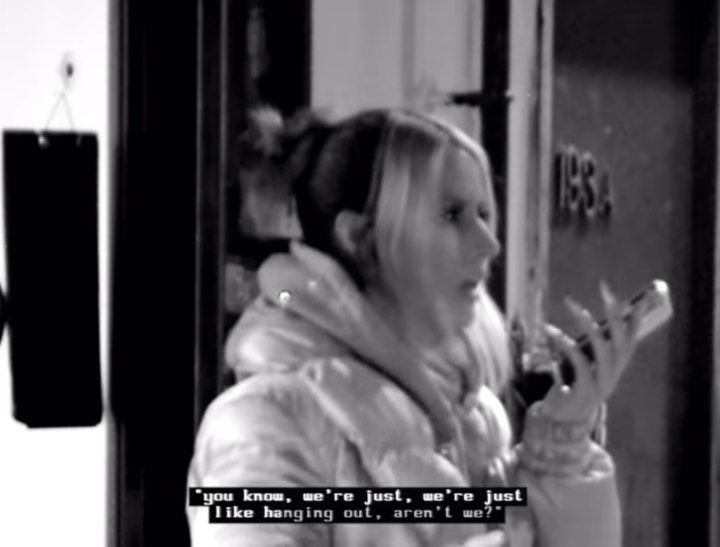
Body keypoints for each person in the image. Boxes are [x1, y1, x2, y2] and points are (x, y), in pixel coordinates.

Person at [187, 107, 641, 546]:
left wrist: (560, 449)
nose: (489, 243)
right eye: (452, 214)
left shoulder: (474, 417)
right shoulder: (262, 422)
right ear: (360, 237)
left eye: (483, 214)